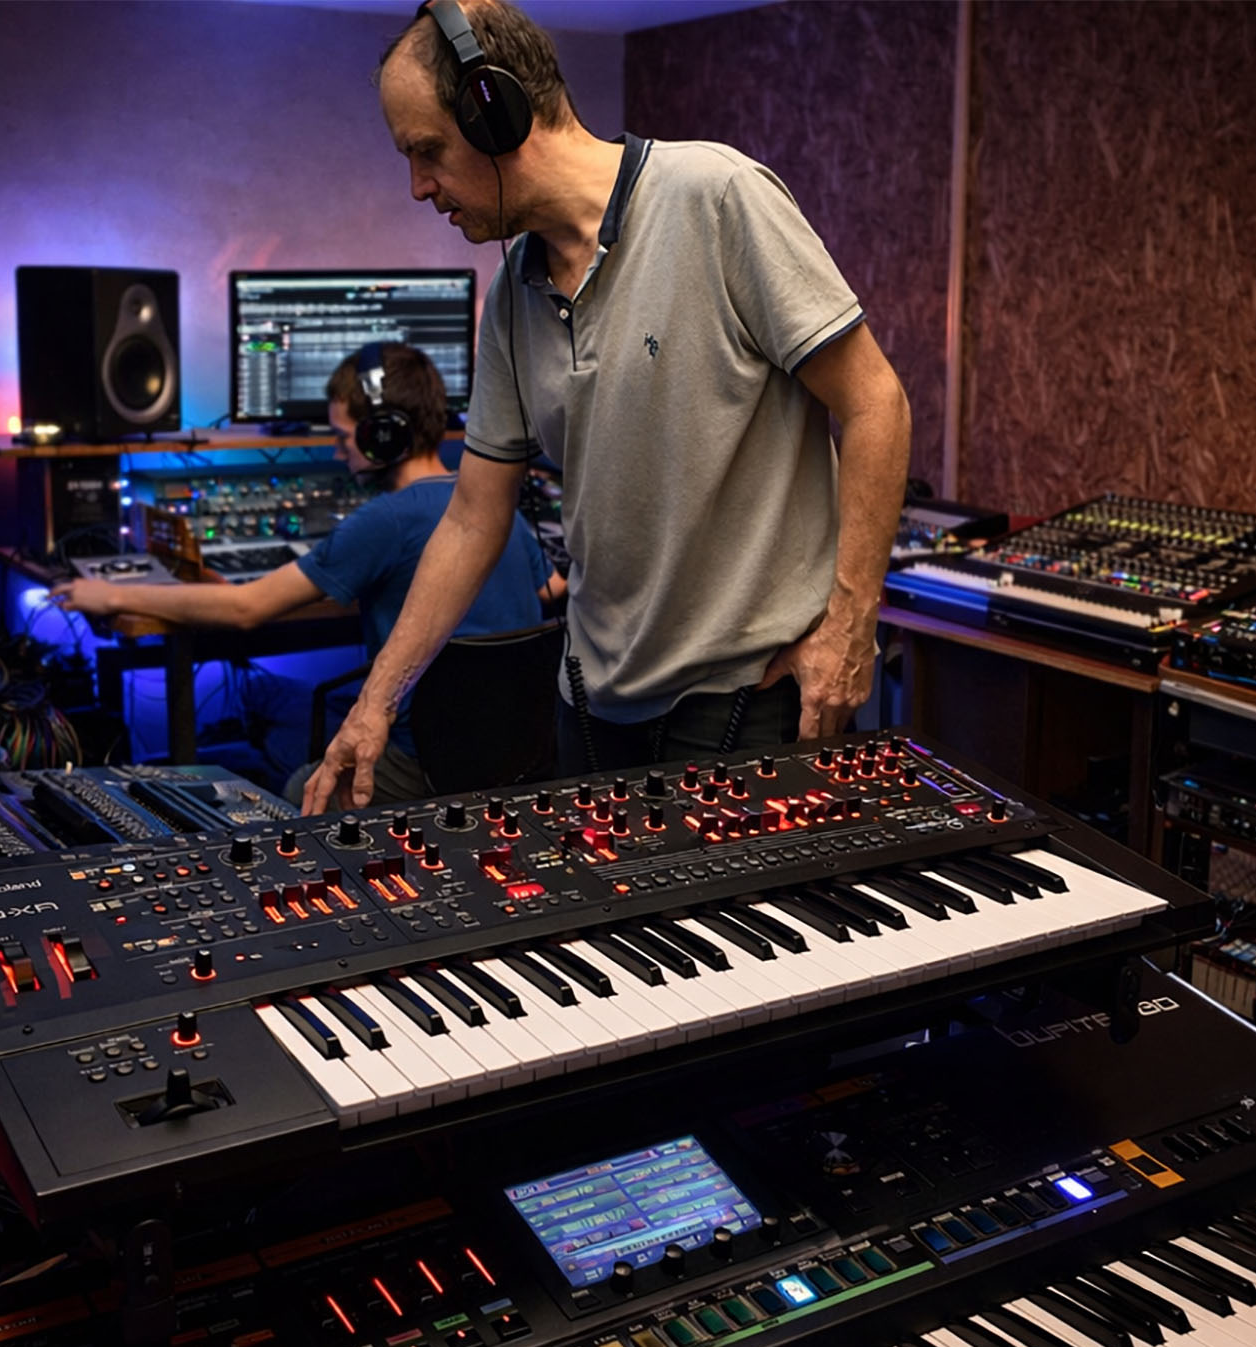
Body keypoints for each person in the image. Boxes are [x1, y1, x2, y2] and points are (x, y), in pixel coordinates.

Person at [300, 0, 911, 816]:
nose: (418, 187)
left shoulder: (716, 196)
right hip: (591, 709)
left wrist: (849, 626)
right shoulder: (510, 294)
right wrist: (376, 702)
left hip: (747, 700)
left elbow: (876, 402)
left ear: (495, 113)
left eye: (428, 151)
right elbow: (473, 518)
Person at [52, 341, 563, 803]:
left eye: (343, 437)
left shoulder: (385, 520)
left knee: (290, 765)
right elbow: (550, 588)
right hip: (512, 756)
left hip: (418, 762)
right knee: (276, 697)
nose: (338, 452)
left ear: (383, 436)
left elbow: (247, 609)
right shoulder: (497, 511)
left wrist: (112, 596)